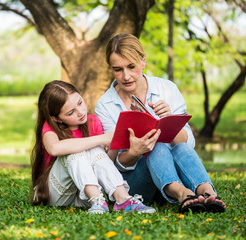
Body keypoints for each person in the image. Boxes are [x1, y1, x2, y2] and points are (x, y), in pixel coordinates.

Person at [95, 33, 226, 213]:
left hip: (169, 172)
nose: (126, 76)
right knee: (156, 147)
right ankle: (183, 194)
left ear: (143, 61)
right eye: (118, 69)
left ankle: (208, 193)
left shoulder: (166, 89)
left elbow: (187, 143)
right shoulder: (105, 104)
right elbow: (110, 163)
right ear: (111, 69)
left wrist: (169, 121)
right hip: (136, 183)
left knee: (179, 148)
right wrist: (135, 152)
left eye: (131, 67)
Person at [30, 80, 156, 214]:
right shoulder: (50, 127)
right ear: (56, 118)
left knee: (95, 150)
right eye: (71, 112)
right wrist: (102, 138)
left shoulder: (92, 122)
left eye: (80, 102)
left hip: (83, 195)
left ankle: (123, 200)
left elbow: (104, 162)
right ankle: (97, 201)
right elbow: (54, 148)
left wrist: (117, 141)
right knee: (74, 152)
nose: (80, 112)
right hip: (58, 194)